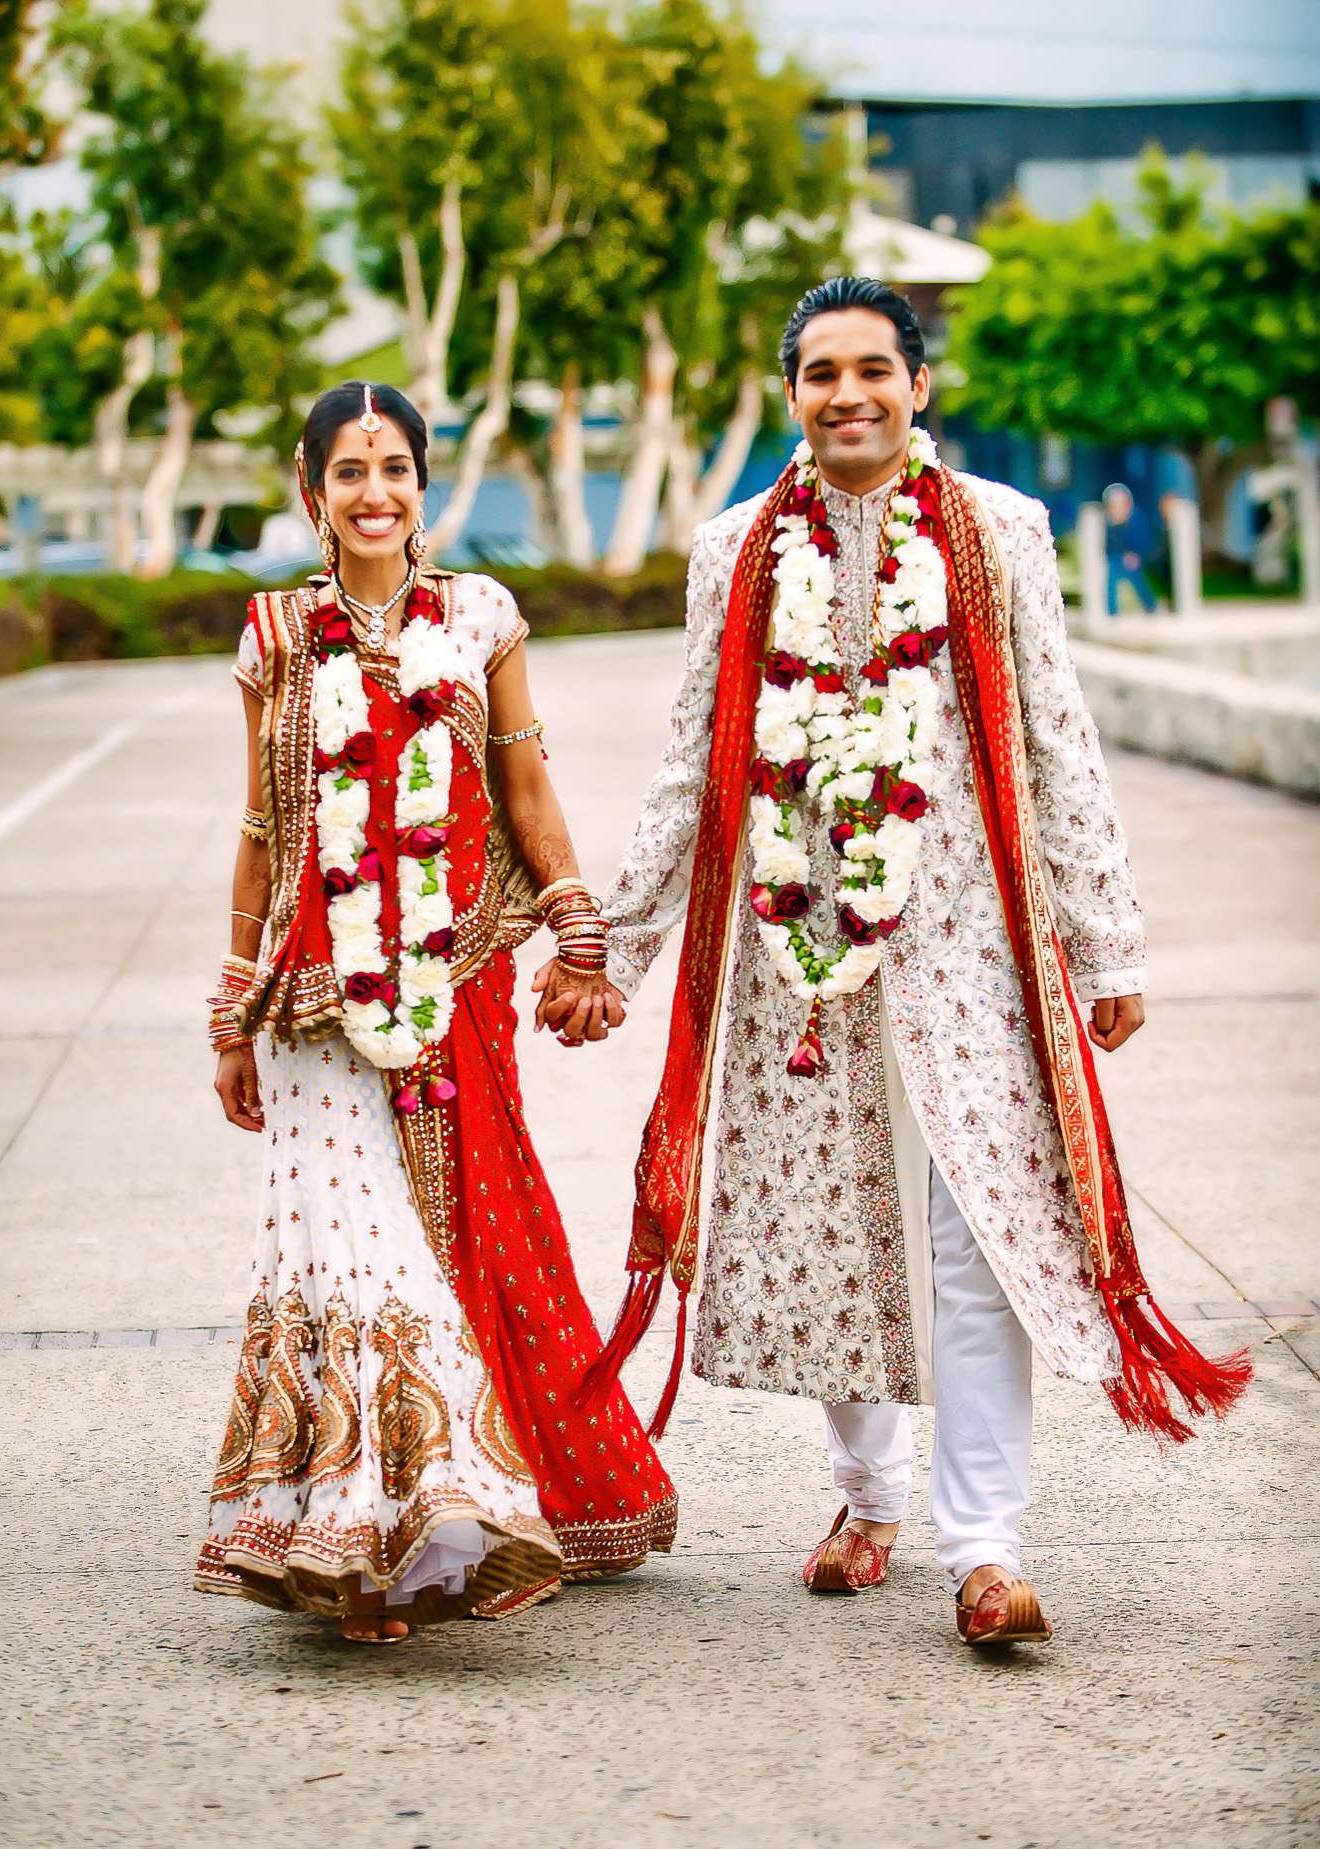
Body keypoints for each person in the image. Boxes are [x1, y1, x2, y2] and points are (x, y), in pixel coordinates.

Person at [540, 280, 1248, 1649]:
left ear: (918, 385)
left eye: (874, 369)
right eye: (819, 373)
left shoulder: (1000, 531)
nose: (848, 393)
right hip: (789, 950)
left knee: (974, 1242)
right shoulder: (734, 550)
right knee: (831, 1229)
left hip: (966, 944)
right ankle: (863, 1499)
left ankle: (981, 1549)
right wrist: (610, 951)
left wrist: (1104, 937)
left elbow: (1054, 733)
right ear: (788, 392)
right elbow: (693, 760)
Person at [197, 382, 675, 1644]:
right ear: (310, 491)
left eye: (396, 467)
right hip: (311, 995)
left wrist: (580, 922)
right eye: (348, 470)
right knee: (351, 1257)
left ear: (426, 483)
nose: (374, 493)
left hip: (455, 981)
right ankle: (362, 1547)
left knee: (472, 1229)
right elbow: (263, 829)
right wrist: (235, 1001)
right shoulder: (273, 634)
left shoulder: (480, 616)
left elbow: (523, 782)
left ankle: (461, 1509)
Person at [1102, 482, 1160, 614]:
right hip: (1114, 558)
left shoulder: (1136, 519)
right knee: (1111, 575)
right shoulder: (1107, 522)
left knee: (1137, 579)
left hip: (1134, 557)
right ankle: (1111, 611)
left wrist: (1136, 555)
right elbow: (1108, 544)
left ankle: (1151, 606)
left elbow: (1144, 540)